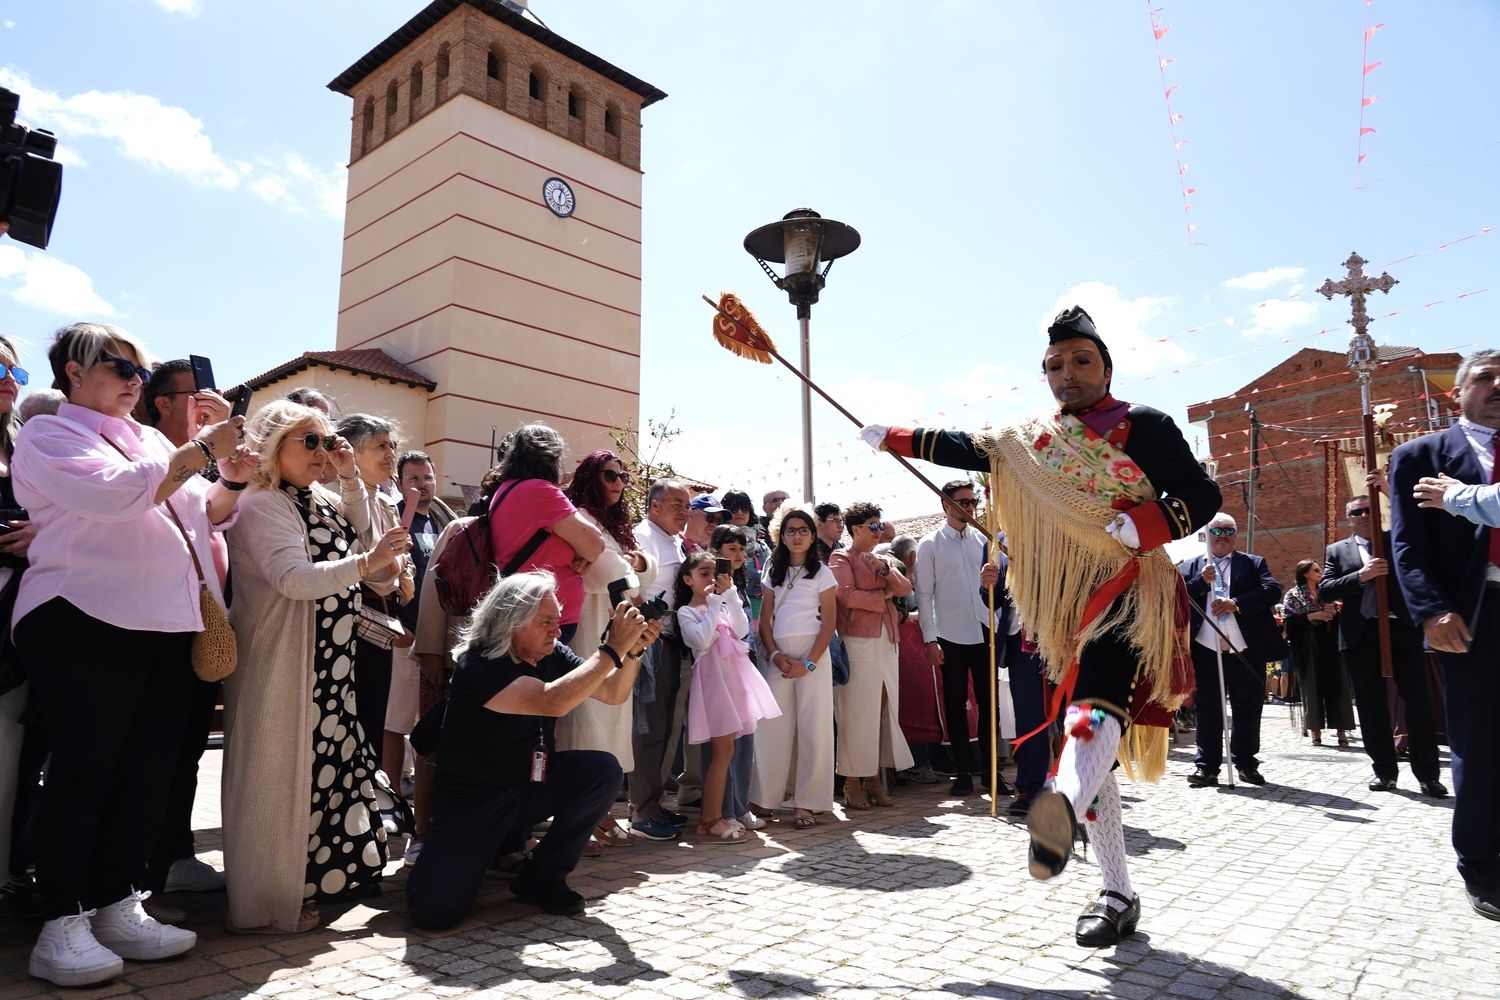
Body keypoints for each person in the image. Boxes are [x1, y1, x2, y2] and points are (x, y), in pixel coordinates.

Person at [861, 305, 1220, 946]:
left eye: (1081, 361)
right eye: (1055, 366)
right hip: (1058, 602)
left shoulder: (1145, 425)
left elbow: (1201, 494)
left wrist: (1147, 525)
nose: (1067, 374)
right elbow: (969, 448)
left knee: (1095, 707)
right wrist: (896, 436)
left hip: (1129, 588)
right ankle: (1116, 891)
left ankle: (1060, 799)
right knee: (1091, 734)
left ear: (1105, 366)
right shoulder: (1029, 440)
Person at [14, 322, 248, 986]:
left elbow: (208, 512)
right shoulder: (49, 433)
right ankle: (61, 921)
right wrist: (203, 448)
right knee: (86, 769)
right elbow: (119, 496)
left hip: (164, 626)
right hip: (81, 618)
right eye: (118, 365)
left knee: (147, 774)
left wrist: (230, 471)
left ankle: (118, 903)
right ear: (73, 371)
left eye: (138, 369)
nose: (133, 378)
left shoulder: (148, 438)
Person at [222, 401, 413, 935]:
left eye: (327, 440)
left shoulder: (316, 497)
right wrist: (367, 563)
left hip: (330, 666)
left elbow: (359, 528)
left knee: (322, 780)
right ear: (271, 446)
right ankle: (266, 899)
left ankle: (311, 881)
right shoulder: (261, 503)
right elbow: (294, 579)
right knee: (278, 779)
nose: (322, 451)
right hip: (286, 661)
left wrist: (351, 475)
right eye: (309, 441)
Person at [405, 571, 656, 928]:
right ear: (511, 623)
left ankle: (542, 877)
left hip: (526, 788)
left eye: (556, 620)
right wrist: (612, 648)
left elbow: (613, 693)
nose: (557, 630)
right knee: (436, 913)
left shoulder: (550, 653)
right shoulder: (479, 666)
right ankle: (468, 854)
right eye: (546, 622)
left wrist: (633, 650)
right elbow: (553, 701)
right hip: (475, 803)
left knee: (601, 771)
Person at [1392, 348, 1500, 920]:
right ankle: (1483, 863)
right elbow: (1407, 544)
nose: (1498, 385)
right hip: (1476, 613)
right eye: (1485, 377)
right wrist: (1432, 610)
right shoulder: (1422, 456)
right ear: (1457, 393)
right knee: (1479, 741)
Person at [135, 359, 232, 901]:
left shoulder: (211, 463)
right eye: (193, 394)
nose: (204, 401)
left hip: (204, 623)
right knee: (157, 752)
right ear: (163, 402)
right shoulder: (147, 450)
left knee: (187, 749)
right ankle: (146, 872)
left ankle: (174, 855)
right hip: (158, 623)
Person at [559, 450, 657, 846]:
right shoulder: (577, 517)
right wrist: (632, 566)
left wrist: (632, 562)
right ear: (590, 479)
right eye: (609, 476)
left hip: (617, 626)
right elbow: (604, 578)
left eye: (622, 477)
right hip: (587, 628)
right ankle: (580, 816)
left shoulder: (616, 525)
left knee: (613, 720)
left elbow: (640, 577)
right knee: (586, 719)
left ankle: (600, 810)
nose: (618, 483)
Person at [1320, 493, 1445, 796]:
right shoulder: (1337, 551)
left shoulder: (1396, 541)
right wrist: (1360, 576)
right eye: (1356, 512)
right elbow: (1325, 590)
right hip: (1360, 635)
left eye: (1368, 511)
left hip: (1401, 628)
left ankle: (1428, 774)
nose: (1363, 516)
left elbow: (1418, 571)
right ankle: (1385, 771)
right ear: (1347, 517)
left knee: (1417, 703)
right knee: (1370, 705)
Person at [676, 552, 779, 841]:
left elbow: (743, 630)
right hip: (713, 686)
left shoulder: (718, 606)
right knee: (721, 754)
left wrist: (730, 595)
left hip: (732, 684)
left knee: (727, 752)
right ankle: (710, 819)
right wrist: (713, 604)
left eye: (714, 572)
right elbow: (700, 639)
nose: (711, 578)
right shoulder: (688, 611)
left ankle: (714, 818)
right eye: (703, 573)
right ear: (688, 579)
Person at [1178, 513, 1286, 787]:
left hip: (1245, 649)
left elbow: (1272, 590)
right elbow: (1175, 599)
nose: (1223, 536)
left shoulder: (1252, 563)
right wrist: (1201, 582)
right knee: (1209, 709)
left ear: (1236, 535)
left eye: (1229, 531)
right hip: (1206, 648)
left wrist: (1236, 602)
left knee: (1247, 708)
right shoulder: (1191, 566)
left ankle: (1246, 763)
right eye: (1217, 532)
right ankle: (1207, 766)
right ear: (1207, 536)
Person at [335, 413, 416, 780]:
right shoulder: (338, 496)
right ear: (351, 452)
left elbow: (397, 556)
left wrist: (405, 572)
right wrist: (395, 567)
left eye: (392, 445)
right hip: (352, 618)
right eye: (381, 446)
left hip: (382, 620)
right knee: (351, 715)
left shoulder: (385, 501)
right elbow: (369, 559)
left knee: (372, 713)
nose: (390, 454)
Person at [913, 480, 1005, 797]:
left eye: (971, 502)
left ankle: (992, 772)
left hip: (983, 629)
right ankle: (963, 772)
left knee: (989, 705)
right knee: (955, 706)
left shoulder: (983, 540)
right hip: (949, 634)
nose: (968, 507)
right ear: (946, 504)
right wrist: (930, 638)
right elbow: (923, 594)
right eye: (962, 502)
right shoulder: (930, 544)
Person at [749, 505, 838, 829]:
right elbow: (766, 621)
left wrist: (810, 662)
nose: (797, 536)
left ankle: (808, 804)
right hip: (781, 656)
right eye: (791, 530)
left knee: (814, 728)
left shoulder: (824, 572)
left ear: (813, 535)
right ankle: (765, 798)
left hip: (814, 654)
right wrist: (774, 656)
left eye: (803, 530)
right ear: (781, 536)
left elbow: (829, 622)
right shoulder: (772, 569)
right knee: (772, 726)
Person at [488, 423, 607, 646]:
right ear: (551, 457)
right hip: (544, 615)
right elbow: (594, 545)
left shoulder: (507, 489)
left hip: (525, 609)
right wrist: (585, 556)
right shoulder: (539, 491)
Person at [829, 501, 914, 808]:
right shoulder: (841, 557)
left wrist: (882, 570)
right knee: (856, 711)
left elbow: (904, 588)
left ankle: (874, 777)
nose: (879, 532)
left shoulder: (882, 559)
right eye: (873, 526)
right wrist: (882, 595)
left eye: (880, 526)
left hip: (886, 639)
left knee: (881, 709)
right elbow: (844, 595)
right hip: (857, 640)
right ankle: (852, 782)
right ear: (856, 529)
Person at [389, 451, 457, 798]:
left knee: (425, 719)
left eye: (427, 477)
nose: (422, 484)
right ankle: (391, 794)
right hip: (405, 635)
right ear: (400, 483)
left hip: (433, 639)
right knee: (396, 720)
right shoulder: (396, 518)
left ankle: (417, 785)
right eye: (413, 478)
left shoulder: (441, 521)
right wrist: (399, 625)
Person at [0, 337, 39, 910]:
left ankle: (8, 868)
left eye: (15, 371)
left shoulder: (26, 449)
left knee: (12, 753)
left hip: (19, 617)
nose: (10, 379)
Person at [629, 478, 690, 841]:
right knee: (649, 728)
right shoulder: (643, 538)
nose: (684, 510)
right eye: (676, 503)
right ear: (654, 506)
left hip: (672, 643)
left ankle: (653, 803)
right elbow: (633, 590)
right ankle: (642, 811)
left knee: (666, 727)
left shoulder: (676, 542)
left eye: (687, 504)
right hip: (649, 643)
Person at [1282, 560, 1355, 746]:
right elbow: (1288, 622)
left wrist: (1333, 613)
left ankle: (1341, 730)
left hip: (1330, 641)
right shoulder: (1294, 594)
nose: (1320, 572)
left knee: (1338, 684)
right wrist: (1312, 616)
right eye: (1316, 570)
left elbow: (1342, 615)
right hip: (1307, 644)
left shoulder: (1328, 591)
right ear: (1305, 573)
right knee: (1311, 685)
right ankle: (1315, 730)